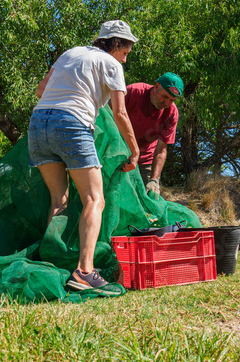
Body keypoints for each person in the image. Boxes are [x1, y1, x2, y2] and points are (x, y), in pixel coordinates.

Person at [27, 20, 139, 293]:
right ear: (115, 44)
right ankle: (85, 271)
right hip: (71, 125)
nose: (126, 56)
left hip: (38, 124)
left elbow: (41, 90)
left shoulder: (70, 53)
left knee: (59, 199)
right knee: (94, 199)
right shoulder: (112, 65)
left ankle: (54, 260)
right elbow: (120, 113)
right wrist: (135, 150)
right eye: (126, 50)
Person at [121, 73, 184, 197]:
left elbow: (161, 149)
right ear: (156, 86)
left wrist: (154, 179)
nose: (166, 102)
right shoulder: (133, 92)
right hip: (119, 153)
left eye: (171, 100)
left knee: (148, 201)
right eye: (165, 96)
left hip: (145, 161)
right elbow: (107, 119)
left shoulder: (171, 113)